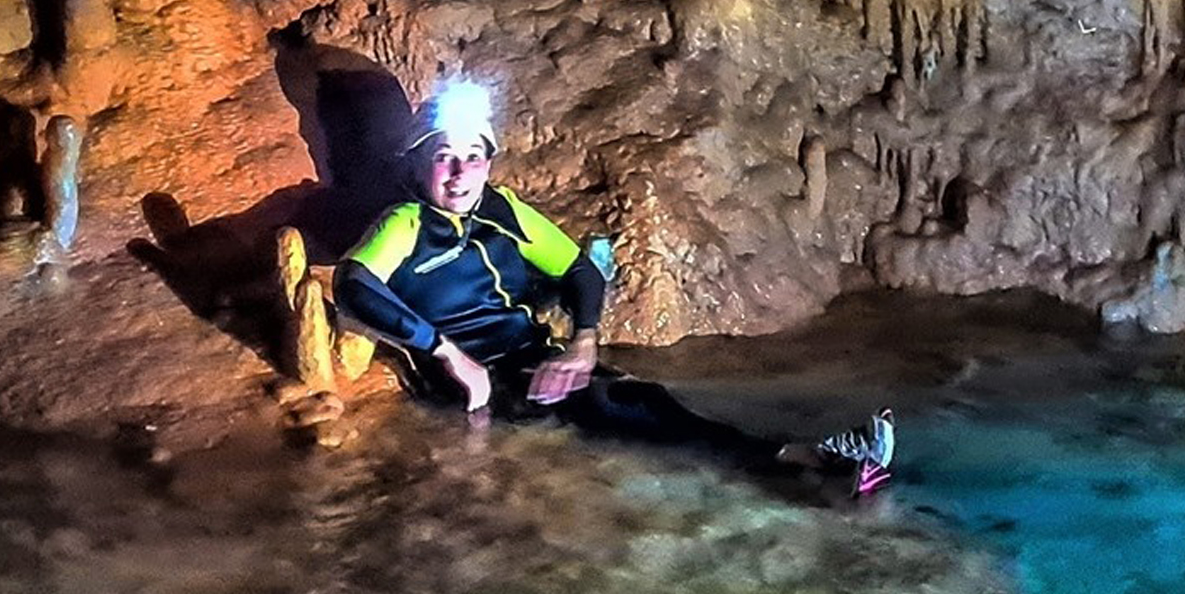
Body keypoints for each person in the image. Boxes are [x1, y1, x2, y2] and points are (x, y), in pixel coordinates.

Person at [331, 80, 893, 487]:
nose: (459, 173)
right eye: (444, 157)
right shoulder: (404, 223)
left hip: (530, 356)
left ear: (489, 162)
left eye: (472, 157)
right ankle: (803, 461)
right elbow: (354, 285)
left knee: (640, 404)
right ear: (420, 163)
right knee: (624, 405)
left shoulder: (503, 209)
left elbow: (578, 268)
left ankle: (801, 459)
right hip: (473, 380)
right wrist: (449, 355)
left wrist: (583, 341)